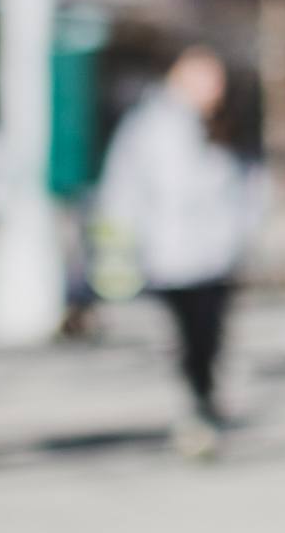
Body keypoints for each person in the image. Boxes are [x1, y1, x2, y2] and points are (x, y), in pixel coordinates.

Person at [99, 46, 266, 459]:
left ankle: (206, 399)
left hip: (217, 251)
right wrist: (117, 245)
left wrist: (244, 229)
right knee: (184, 333)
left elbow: (252, 181)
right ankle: (196, 404)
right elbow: (124, 184)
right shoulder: (148, 124)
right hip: (167, 250)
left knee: (212, 332)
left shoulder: (230, 121)